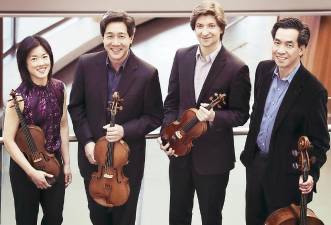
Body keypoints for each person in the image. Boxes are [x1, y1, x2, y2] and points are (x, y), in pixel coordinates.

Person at [158, 1, 251, 225]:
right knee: (178, 216)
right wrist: (167, 133)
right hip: (180, 154)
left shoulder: (236, 67)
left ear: (221, 28)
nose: (205, 31)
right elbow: (171, 102)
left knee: (211, 218)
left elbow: (240, 114)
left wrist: (214, 117)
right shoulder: (182, 56)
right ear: (194, 28)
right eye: (199, 25)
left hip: (214, 159)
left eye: (211, 25)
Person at [68, 10, 163, 225]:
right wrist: (88, 142)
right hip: (94, 162)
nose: (115, 42)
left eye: (121, 36)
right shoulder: (85, 64)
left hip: (126, 166)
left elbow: (155, 116)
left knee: (124, 220)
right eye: (110, 36)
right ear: (103, 38)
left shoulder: (148, 74)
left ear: (131, 37)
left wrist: (125, 130)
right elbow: (76, 107)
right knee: (97, 218)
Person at [240, 17, 330, 225]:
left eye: (289, 45)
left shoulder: (313, 91)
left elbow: (320, 142)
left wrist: (311, 175)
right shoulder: (263, 70)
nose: (280, 50)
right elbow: (257, 114)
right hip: (255, 165)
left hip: (286, 176)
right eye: (277, 42)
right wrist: (250, 159)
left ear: (301, 49)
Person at [3, 35, 72, 225]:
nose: (41, 63)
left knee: (55, 218)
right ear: (24, 64)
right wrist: (31, 172)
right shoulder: (18, 97)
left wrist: (66, 162)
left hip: (53, 163)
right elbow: (8, 140)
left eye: (44, 56)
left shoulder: (59, 88)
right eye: (34, 58)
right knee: (26, 220)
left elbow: (63, 125)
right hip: (24, 169)